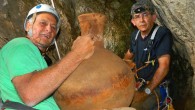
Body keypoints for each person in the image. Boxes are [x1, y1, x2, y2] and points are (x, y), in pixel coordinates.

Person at [0, 4, 94, 110]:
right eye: (43, 23)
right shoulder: (20, 45)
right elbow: (30, 94)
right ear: (28, 26)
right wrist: (77, 54)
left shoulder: (40, 62)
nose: (49, 29)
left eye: (53, 27)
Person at [124, 0, 173, 110]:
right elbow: (127, 57)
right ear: (133, 22)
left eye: (145, 15)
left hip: (156, 86)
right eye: (137, 17)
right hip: (140, 83)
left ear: (154, 17)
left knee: (140, 106)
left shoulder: (162, 34)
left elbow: (164, 67)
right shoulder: (135, 36)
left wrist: (146, 92)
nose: (141, 20)